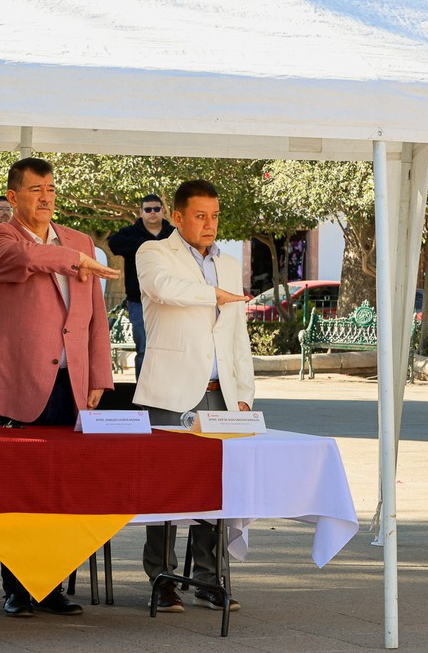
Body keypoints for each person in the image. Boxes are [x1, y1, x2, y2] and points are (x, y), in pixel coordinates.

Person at [0, 157, 119, 618]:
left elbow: (94, 318)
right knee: (19, 490)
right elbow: (28, 259)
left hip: (72, 384)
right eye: (36, 190)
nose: (46, 197)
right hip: (21, 383)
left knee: (65, 490)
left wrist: (98, 375)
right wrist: (76, 261)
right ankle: (17, 587)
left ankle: (52, 585)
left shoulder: (79, 241)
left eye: (51, 189)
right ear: (13, 197)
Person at [132, 179, 254, 614]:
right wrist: (214, 294)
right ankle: (162, 579)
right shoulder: (153, 253)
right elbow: (164, 289)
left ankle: (208, 578)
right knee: (163, 488)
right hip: (171, 392)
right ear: (177, 217)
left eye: (215, 216)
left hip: (222, 396)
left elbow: (237, 335)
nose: (209, 224)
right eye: (200, 216)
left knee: (216, 489)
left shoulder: (230, 262)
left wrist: (244, 394)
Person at [106, 194, 174, 377]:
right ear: (141, 212)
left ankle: (167, 391)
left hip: (170, 301)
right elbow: (114, 244)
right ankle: (143, 393)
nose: (152, 213)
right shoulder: (129, 233)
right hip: (139, 302)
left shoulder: (174, 234)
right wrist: (147, 245)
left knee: (170, 349)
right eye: (148, 209)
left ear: (162, 210)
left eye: (156, 209)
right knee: (144, 349)